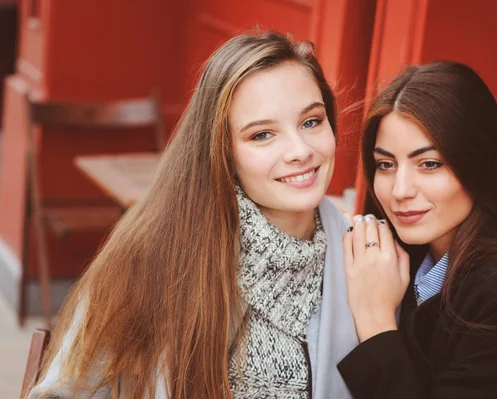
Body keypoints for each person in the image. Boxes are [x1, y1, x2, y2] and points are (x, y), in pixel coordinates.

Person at [27, 32, 358, 399]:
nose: (299, 150)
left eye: (311, 122)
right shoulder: (155, 256)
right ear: (223, 151)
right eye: (262, 135)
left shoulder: (361, 253)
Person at [338, 61, 497, 398]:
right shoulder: (403, 265)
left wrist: (374, 317)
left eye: (429, 164)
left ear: (476, 164)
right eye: (386, 164)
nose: (400, 189)